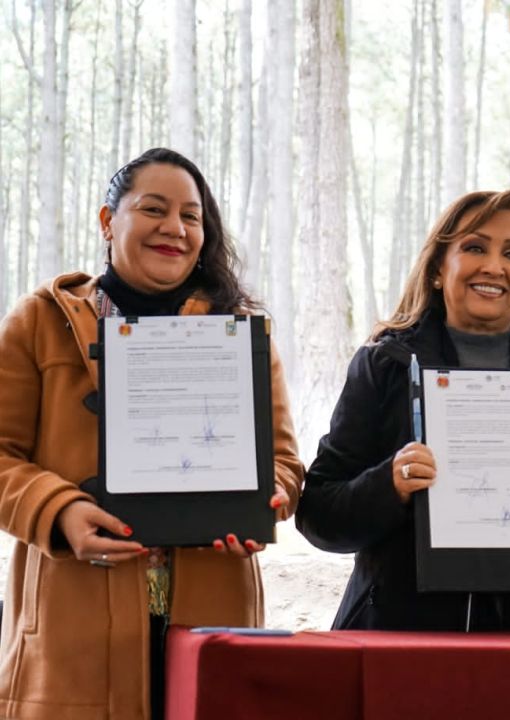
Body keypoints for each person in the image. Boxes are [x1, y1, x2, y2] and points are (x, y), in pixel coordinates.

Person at [0, 147, 303, 718]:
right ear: (108, 221)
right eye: (155, 209)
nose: (176, 229)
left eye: (192, 216)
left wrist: (270, 498)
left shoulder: (241, 335)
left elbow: (284, 460)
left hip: (215, 617)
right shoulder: (38, 321)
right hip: (73, 624)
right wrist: (57, 510)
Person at [296, 189, 510, 632]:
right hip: (404, 643)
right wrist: (389, 485)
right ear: (439, 269)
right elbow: (319, 515)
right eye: (475, 247)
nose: (494, 266)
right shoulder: (382, 367)